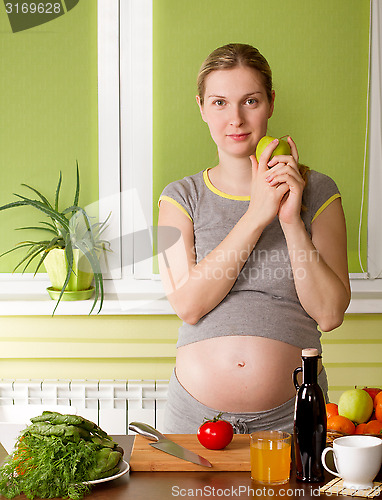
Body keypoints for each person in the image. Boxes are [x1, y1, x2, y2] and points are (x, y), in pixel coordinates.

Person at [157, 43, 350, 434]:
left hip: (293, 416)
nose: (236, 119)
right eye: (219, 103)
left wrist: (291, 221)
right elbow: (188, 305)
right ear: (201, 107)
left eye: (250, 100)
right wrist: (256, 215)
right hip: (194, 419)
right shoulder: (176, 198)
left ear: (271, 102)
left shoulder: (319, 191)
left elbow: (330, 315)